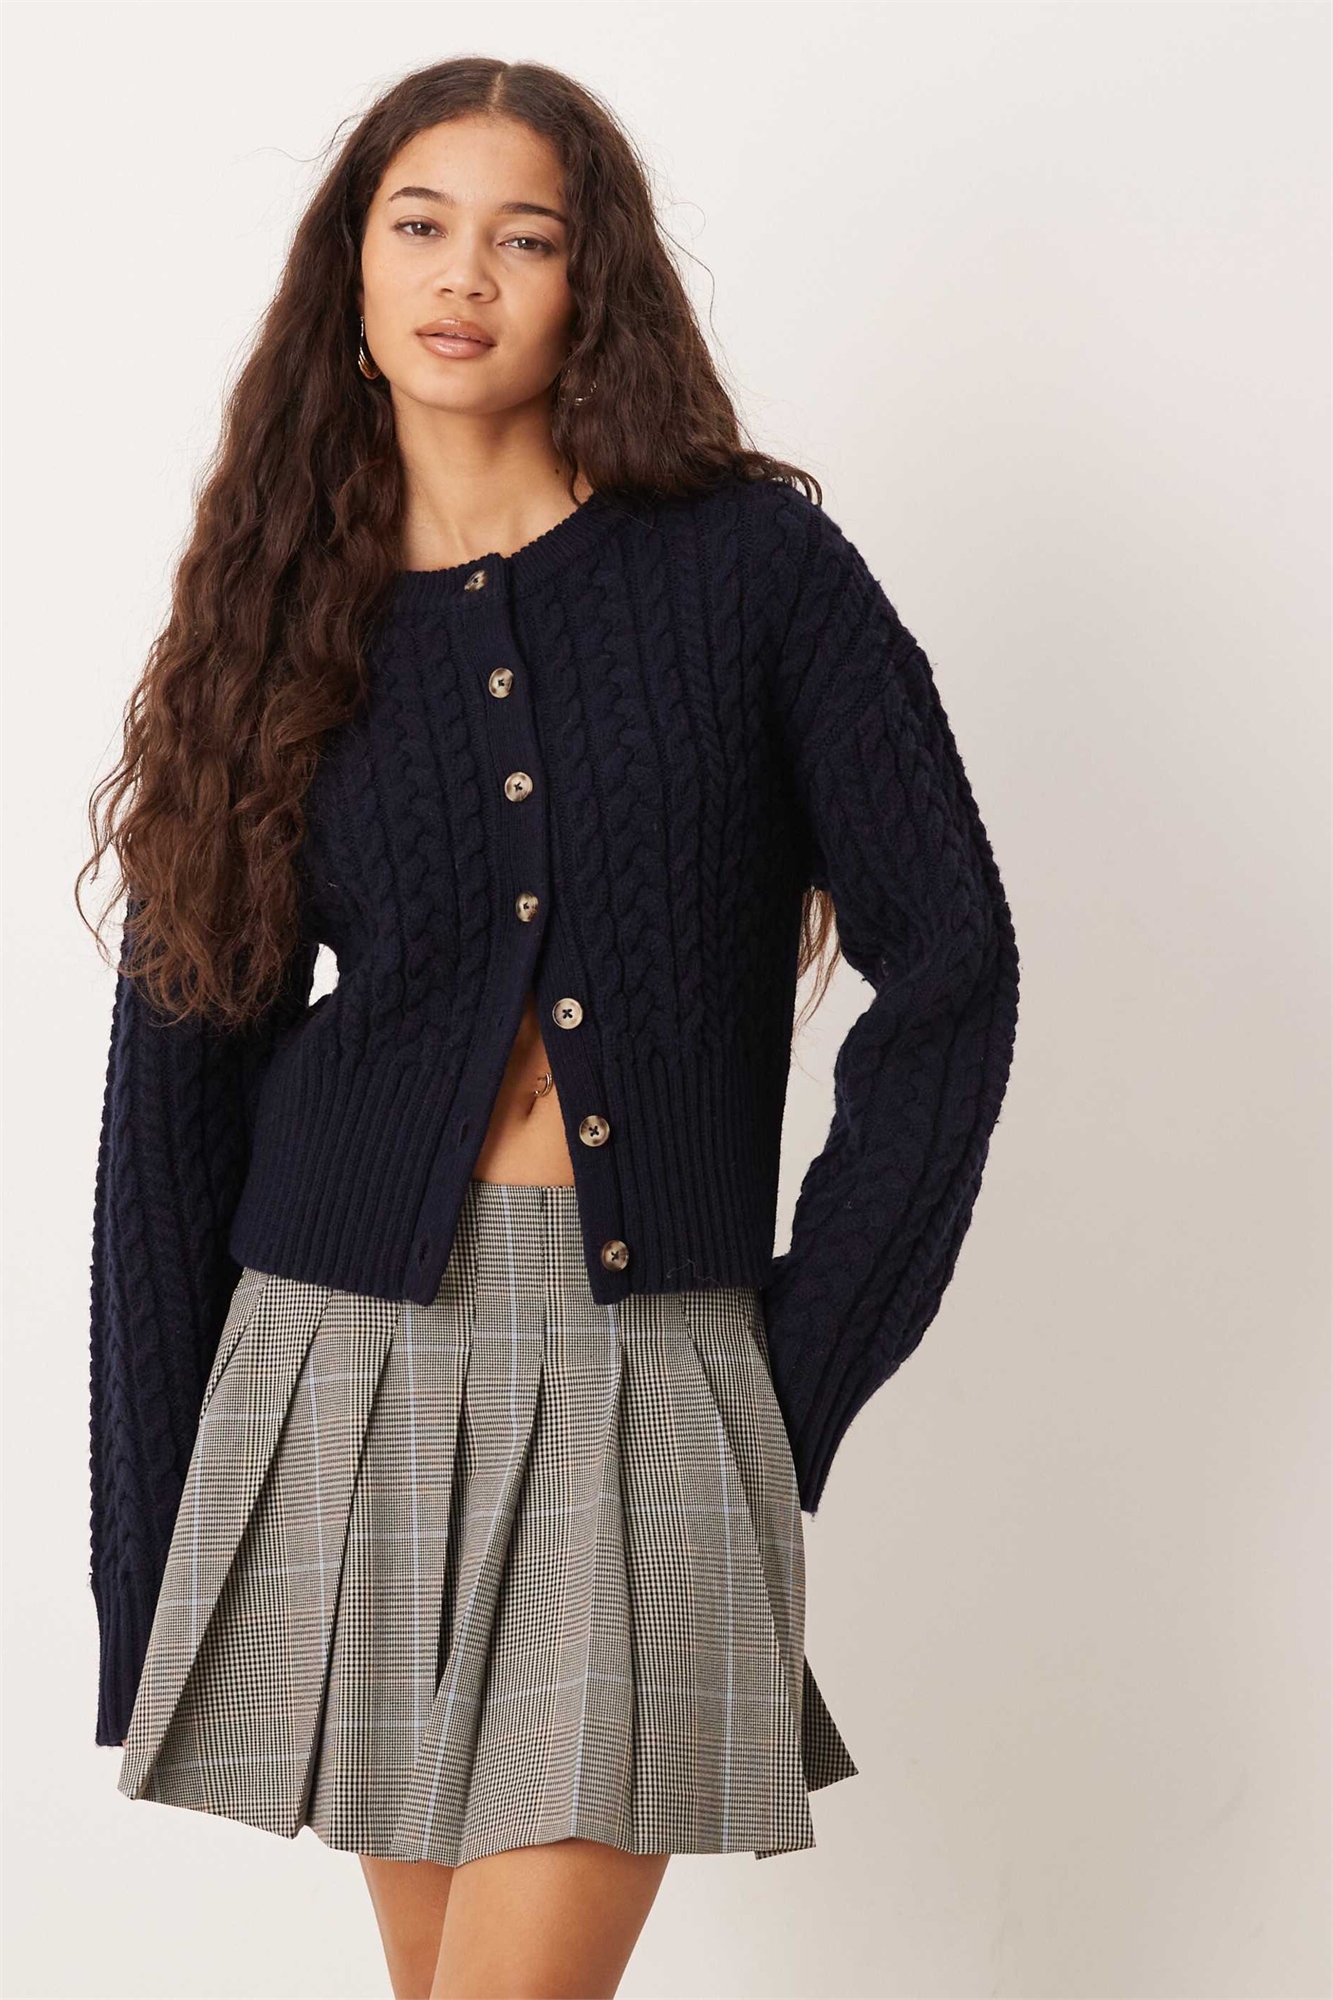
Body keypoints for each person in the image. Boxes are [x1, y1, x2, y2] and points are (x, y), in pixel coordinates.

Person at [79, 55, 1020, 2000]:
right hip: (338, 1363)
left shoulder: (753, 572)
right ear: (348, 269)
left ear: (597, 284)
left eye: (528, 236)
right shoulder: (276, 617)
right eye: (420, 225)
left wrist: (793, 1364)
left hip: (646, 1356)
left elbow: (954, 965)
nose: (465, 275)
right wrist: (151, 1536)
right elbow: (173, 1093)